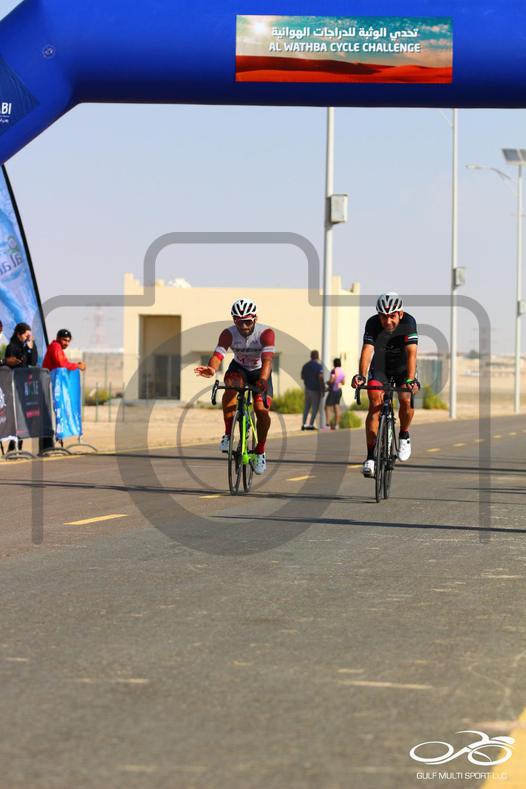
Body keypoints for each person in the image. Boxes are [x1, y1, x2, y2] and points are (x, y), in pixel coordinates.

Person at [194, 298, 274, 475]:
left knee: (261, 411)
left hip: (260, 371)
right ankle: (228, 434)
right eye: (239, 322)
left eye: (248, 322)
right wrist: (212, 368)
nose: (243, 326)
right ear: (234, 320)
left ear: (255, 319)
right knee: (230, 386)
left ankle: (260, 451)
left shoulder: (266, 333)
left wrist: (263, 379)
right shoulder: (228, 333)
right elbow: (218, 354)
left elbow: (268, 360)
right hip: (239, 369)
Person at [351, 292, 419, 478]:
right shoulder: (372, 323)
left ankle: (404, 434)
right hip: (380, 367)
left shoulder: (409, 323)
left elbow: (412, 353)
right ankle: (370, 457)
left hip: (403, 368)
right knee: (375, 402)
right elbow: (367, 350)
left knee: (405, 399)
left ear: (400, 314)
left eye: (392, 316)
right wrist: (361, 376)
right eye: (383, 317)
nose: (387, 321)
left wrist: (410, 379)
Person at [3, 322, 38, 452]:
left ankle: (18, 444)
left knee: (23, 417)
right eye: (26, 335)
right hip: (13, 387)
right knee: (15, 417)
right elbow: (15, 363)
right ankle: (13, 445)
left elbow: (33, 362)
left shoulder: (25, 346)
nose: (28, 338)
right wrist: (25, 350)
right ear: (19, 334)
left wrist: (32, 347)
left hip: (23, 386)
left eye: (29, 336)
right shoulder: (12, 347)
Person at [300, 350, 324, 430]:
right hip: (315, 389)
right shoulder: (318, 366)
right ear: (318, 356)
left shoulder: (305, 365)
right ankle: (310, 425)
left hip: (307, 389)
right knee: (314, 408)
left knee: (306, 407)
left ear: (311, 356)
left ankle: (304, 424)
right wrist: (323, 388)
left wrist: (308, 380)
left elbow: (302, 376)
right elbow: (320, 377)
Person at [324, 357, 345, 430]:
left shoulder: (334, 370)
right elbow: (343, 382)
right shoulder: (341, 371)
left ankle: (327, 424)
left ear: (334, 363)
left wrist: (327, 382)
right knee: (336, 407)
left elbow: (331, 380)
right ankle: (337, 425)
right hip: (339, 390)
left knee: (327, 407)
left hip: (333, 390)